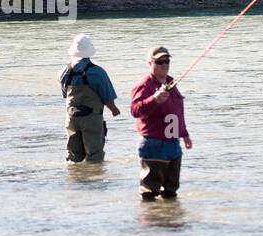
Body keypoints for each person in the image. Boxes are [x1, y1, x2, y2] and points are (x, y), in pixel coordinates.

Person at [130, 45, 192, 200]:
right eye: (159, 62)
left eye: (167, 61)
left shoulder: (171, 84)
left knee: (170, 192)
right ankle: (151, 222)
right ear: (150, 64)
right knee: (149, 192)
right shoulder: (144, 85)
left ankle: (169, 221)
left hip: (173, 144)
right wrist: (154, 100)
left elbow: (177, 111)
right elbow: (135, 111)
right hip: (153, 143)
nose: (164, 65)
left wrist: (184, 134)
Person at [60, 33, 120, 163]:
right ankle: (93, 180)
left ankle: (74, 181)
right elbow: (107, 96)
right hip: (91, 118)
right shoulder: (97, 72)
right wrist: (114, 109)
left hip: (71, 118)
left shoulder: (65, 71)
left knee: (73, 157)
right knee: (95, 156)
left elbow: (65, 94)